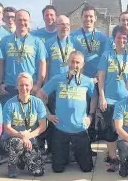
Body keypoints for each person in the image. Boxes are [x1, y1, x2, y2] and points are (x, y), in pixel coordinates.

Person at [36, 51, 96, 173]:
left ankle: (73, 155)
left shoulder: (88, 81)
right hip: (61, 128)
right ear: (68, 62)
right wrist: (48, 115)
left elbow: (94, 97)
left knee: (87, 168)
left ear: (83, 64)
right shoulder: (58, 79)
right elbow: (40, 94)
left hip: (80, 128)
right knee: (57, 169)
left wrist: (90, 115)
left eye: (78, 62)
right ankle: (66, 156)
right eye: (72, 61)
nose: (75, 65)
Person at [98, 26, 128, 172]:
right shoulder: (107, 55)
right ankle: (113, 158)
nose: (121, 40)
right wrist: (102, 97)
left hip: (127, 101)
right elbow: (101, 78)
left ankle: (125, 157)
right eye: (119, 37)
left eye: (125, 37)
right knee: (110, 131)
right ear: (113, 39)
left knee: (125, 130)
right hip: (110, 100)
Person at [44, 15, 77, 158]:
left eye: (67, 24)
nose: (65, 27)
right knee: (53, 119)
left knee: (70, 117)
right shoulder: (48, 43)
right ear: (56, 26)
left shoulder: (75, 42)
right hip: (53, 87)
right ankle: (52, 150)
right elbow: (45, 65)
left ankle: (71, 150)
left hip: (72, 87)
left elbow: (80, 62)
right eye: (61, 24)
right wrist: (44, 86)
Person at [2, 72, 47, 178]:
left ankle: (22, 160)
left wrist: (28, 137)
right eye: (21, 85)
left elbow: (43, 126)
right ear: (16, 86)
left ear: (31, 86)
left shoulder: (38, 103)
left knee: (38, 172)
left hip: (30, 140)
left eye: (27, 85)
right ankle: (12, 164)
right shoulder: (9, 104)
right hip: (11, 139)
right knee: (17, 142)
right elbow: (7, 128)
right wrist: (22, 136)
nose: (24, 87)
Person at [0, 9, 47, 104]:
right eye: (19, 20)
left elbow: (42, 63)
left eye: (25, 20)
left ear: (29, 22)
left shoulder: (37, 41)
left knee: (29, 118)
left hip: (29, 87)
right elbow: (1, 63)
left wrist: (38, 84)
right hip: (10, 87)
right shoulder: (5, 40)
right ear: (15, 21)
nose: (22, 22)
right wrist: (0, 84)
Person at [71, 5, 109, 78]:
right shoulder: (73, 36)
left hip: (96, 77)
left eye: (91, 16)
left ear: (95, 18)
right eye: (85, 16)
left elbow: (104, 58)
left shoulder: (102, 37)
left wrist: (99, 74)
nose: (88, 19)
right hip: (78, 76)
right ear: (81, 17)